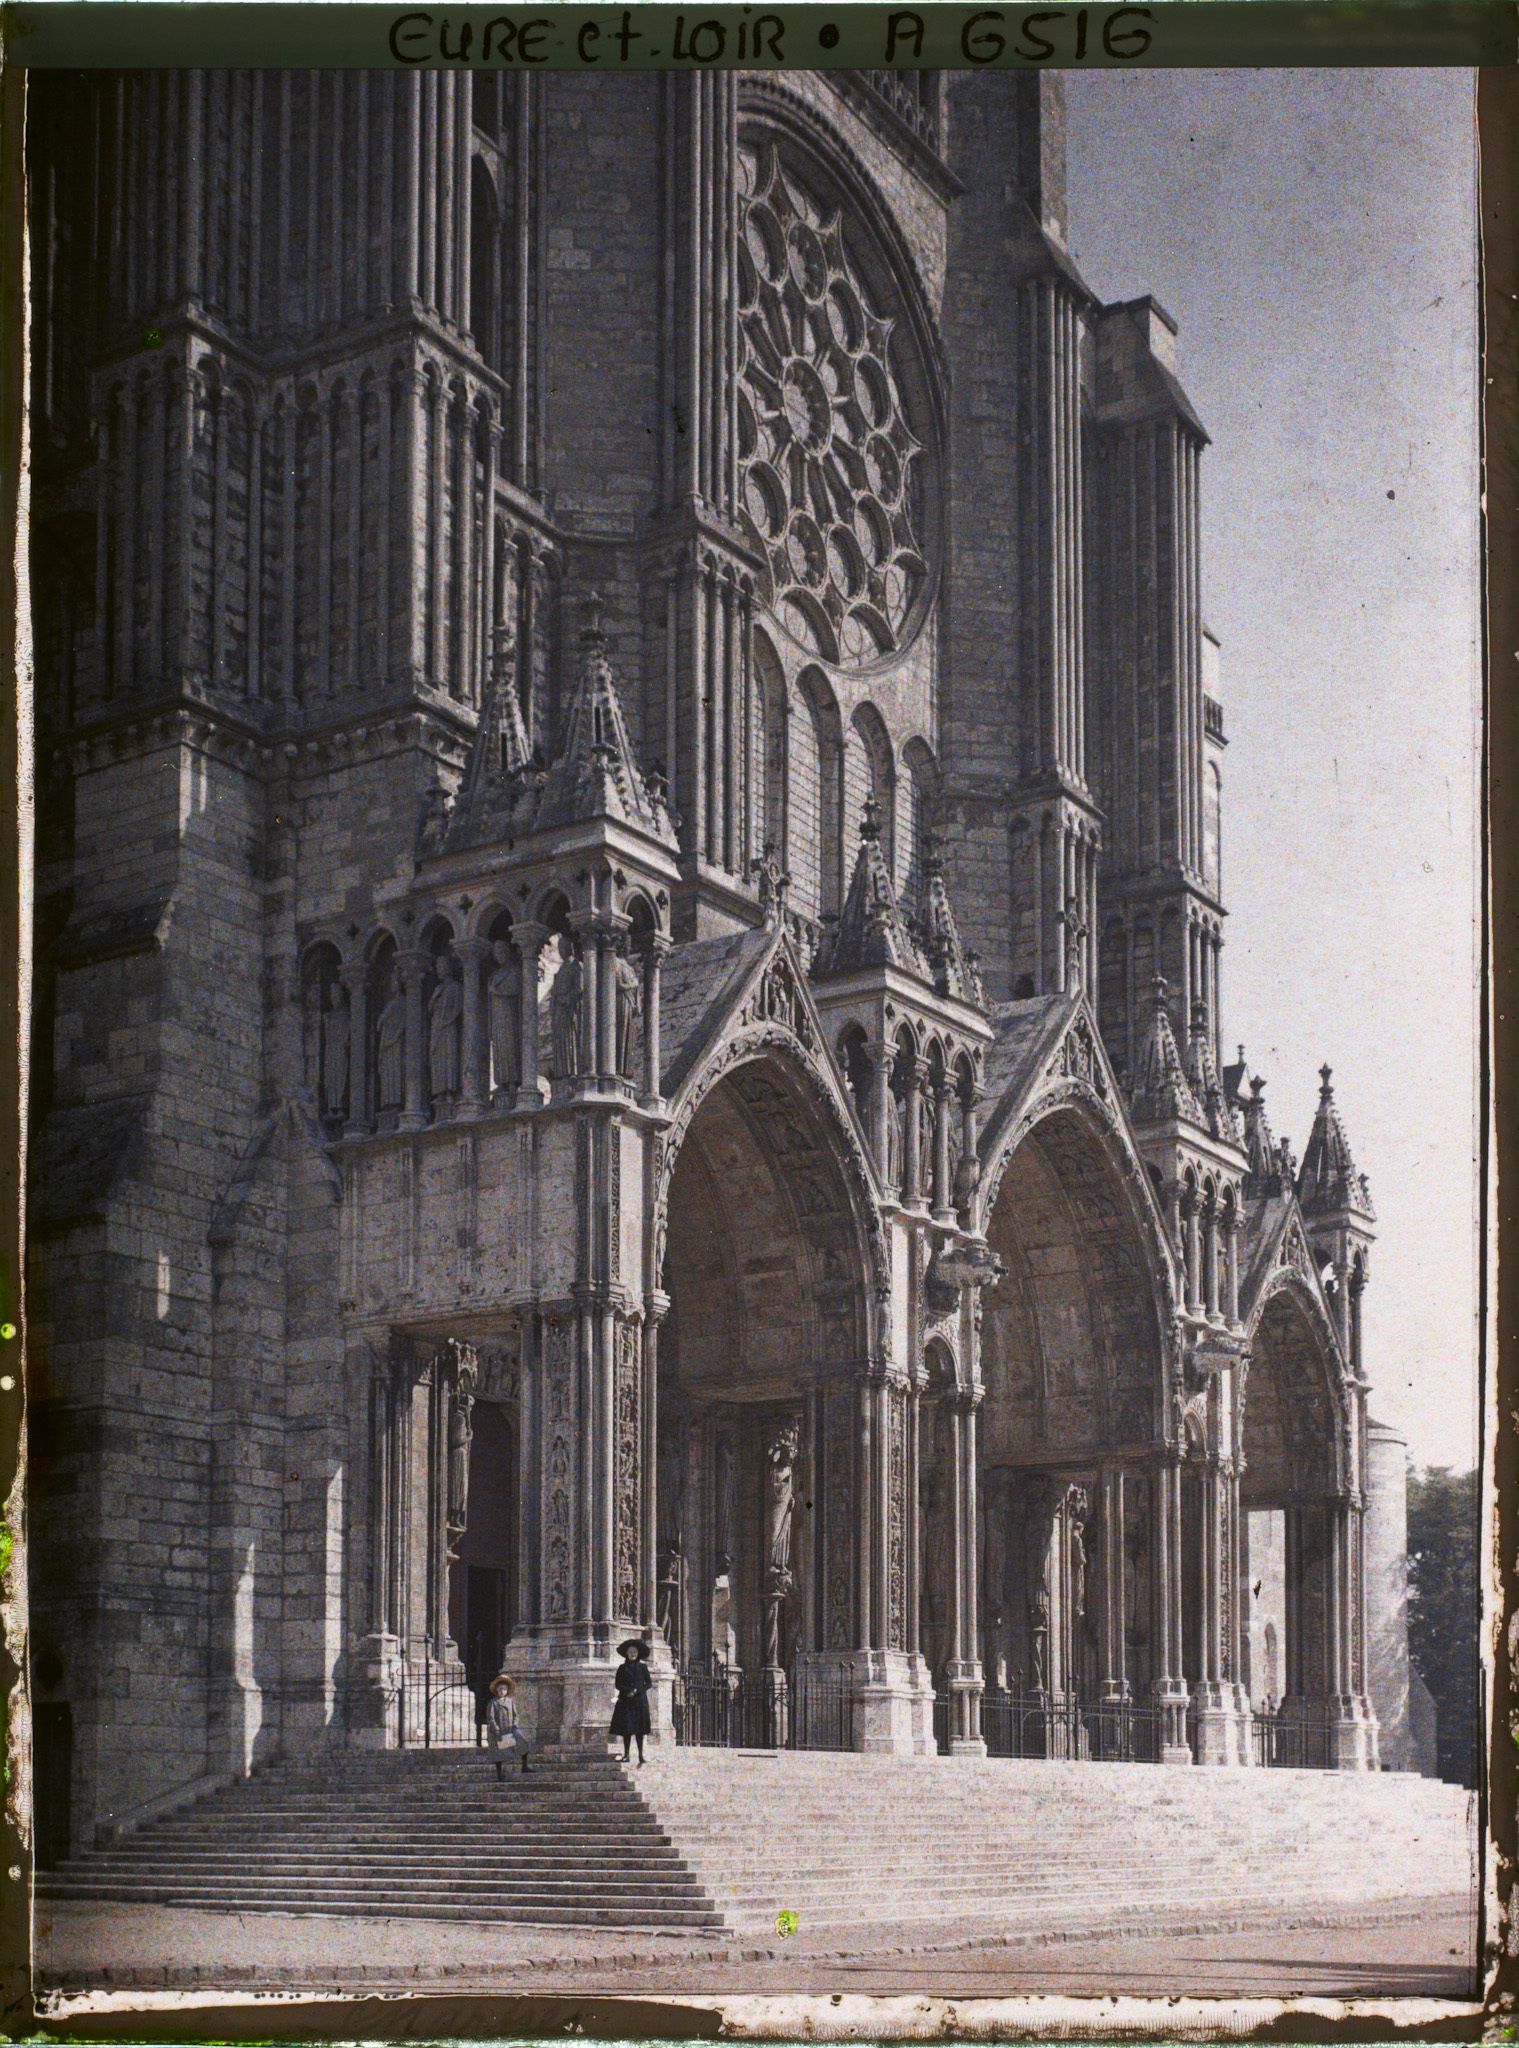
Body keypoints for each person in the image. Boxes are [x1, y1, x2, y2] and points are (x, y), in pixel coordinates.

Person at [610, 1638, 652, 1765]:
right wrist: (628, 1690)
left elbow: (648, 1683)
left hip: (639, 1702)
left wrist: (638, 1690)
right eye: (630, 1651)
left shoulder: (643, 1667)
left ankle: (640, 1755)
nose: (633, 1654)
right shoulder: (622, 1668)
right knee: (626, 1730)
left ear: (638, 1653)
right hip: (626, 1701)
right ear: (626, 1653)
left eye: (635, 1651)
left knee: (640, 1730)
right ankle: (627, 1754)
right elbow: (617, 1684)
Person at [486, 1673, 531, 1778]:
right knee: (498, 1754)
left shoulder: (510, 1702)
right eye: (500, 1689)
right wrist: (496, 1730)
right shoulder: (493, 1703)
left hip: (510, 1729)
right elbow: (491, 1718)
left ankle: (524, 1766)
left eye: (504, 1689)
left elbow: (516, 1715)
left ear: (507, 1691)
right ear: (497, 1690)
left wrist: (515, 1724)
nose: (502, 1691)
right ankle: (499, 1774)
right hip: (499, 1731)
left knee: (523, 1744)